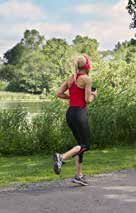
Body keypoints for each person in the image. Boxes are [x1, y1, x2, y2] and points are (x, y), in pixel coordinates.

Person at [53, 55, 97, 186]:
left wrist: (72, 97)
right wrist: (94, 95)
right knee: (85, 145)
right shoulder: (87, 79)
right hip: (79, 113)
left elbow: (58, 93)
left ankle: (79, 175)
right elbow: (87, 100)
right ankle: (62, 157)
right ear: (88, 66)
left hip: (70, 113)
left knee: (80, 145)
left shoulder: (71, 78)